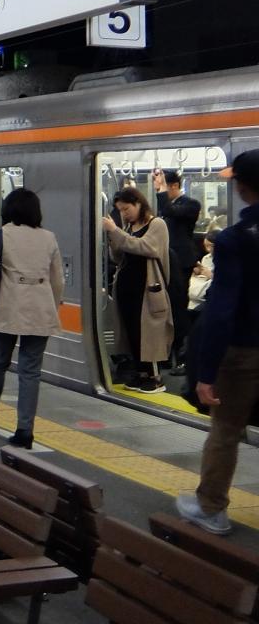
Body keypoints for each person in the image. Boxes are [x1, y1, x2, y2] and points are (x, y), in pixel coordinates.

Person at [176, 151, 259, 535]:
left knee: (225, 431)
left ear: (243, 187)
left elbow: (222, 310)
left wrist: (206, 373)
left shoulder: (234, 240)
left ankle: (211, 508)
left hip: (242, 352)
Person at [0, 188, 65, 449]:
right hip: (40, 309)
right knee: (30, 371)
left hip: (8, 307)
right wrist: (52, 306)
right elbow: (57, 280)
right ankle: (25, 430)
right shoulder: (48, 237)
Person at [102, 187, 174, 393]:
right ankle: (141, 373)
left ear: (138, 203)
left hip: (148, 288)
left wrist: (115, 231)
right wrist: (114, 238)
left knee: (149, 332)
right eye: (121, 210)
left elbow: (145, 247)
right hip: (128, 287)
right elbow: (119, 257)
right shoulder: (129, 226)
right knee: (132, 331)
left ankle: (155, 377)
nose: (124, 214)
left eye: (127, 209)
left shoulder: (157, 224)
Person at [156, 168, 201, 371]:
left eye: (163, 186)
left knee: (178, 306)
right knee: (164, 307)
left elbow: (170, 211)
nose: (159, 190)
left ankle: (182, 355)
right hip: (164, 260)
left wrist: (161, 192)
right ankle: (165, 353)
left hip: (181, 261)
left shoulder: (191, 204)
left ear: (174, 186)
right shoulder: (167, 206)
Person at [188, 229, 220, 310]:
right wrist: (198, 271)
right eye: (206, 246)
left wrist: (211, 275)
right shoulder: (206, 258)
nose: (208, 249)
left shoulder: (228, 260)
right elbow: (203, 273)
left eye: (210, 246)